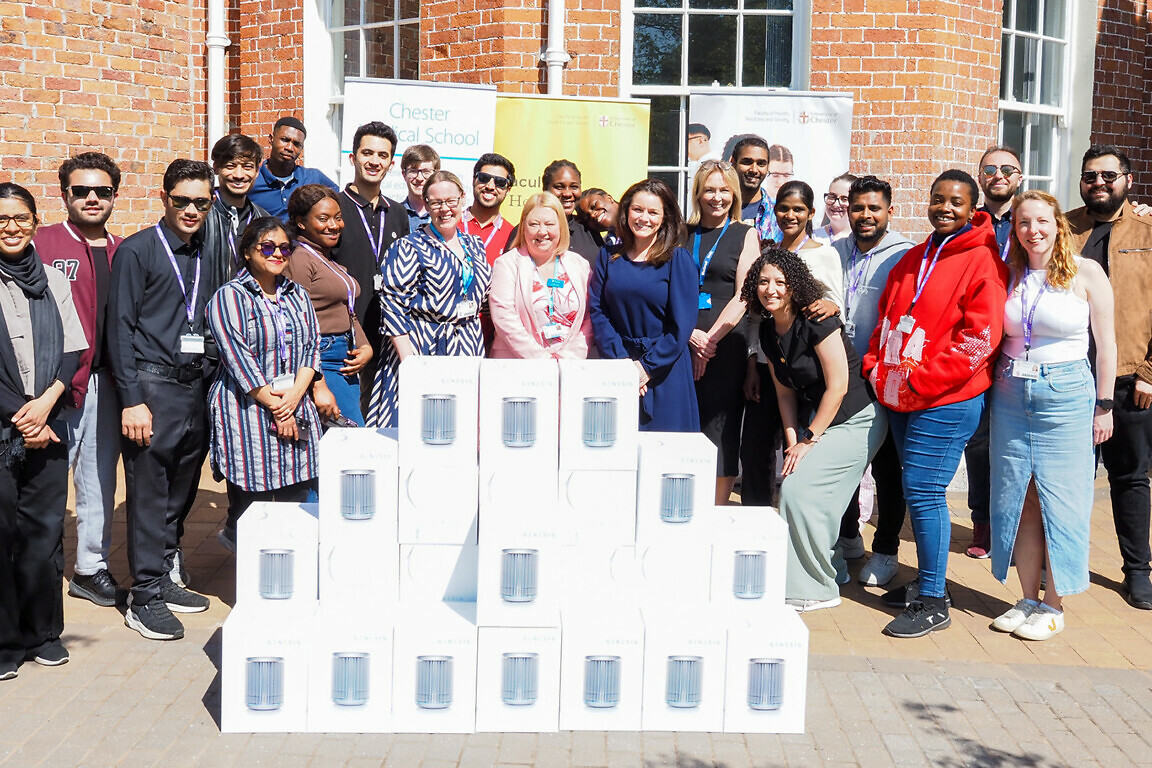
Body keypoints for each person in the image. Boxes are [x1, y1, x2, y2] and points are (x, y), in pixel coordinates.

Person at [862, 169, 1008, 638]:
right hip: (903, 395)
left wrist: (920, 380)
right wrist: (873, 366)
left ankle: (933, 600)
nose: (946, 208)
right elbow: (886, 318)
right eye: (938, 199)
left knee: (924, 492)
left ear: (973, 207)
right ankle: (925, 582)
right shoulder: (914, 257)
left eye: (957, 202)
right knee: (915, 490)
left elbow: (979, 338)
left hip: (945, 399)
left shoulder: (984, 260)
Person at [989, 190, 1116, 641]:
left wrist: (1104, 406)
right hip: (1010, 390)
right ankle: (1026, 597)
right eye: (1023, 223)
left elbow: (1107, 344)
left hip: (1066, 393)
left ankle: (1054, 605)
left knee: (1060, 501)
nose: (1032, 230)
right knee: (1017, 497)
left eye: (1041, 221)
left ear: (1057, 223)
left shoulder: (1086, 272)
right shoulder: (1011, 272)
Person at [108, 159, 217, 640]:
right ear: (164, 197)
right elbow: (119, 330)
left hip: (194, 387)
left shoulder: (206, 250)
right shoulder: (137, 251)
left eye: (201, 201)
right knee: (150, 494)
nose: (191, 209)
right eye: (182, 200)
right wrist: (132, 398)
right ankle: (144, 595)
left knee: (182, 488)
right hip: (151, 388)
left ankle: (165, 575)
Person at [741, 248, 884, 612]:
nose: (770, 289)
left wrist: (807, 440)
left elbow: (837, 387)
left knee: (798, 492)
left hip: (856, 419)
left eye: (780, 282)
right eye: (763, 281)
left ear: (795, 286)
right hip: (816, 425)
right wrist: (793, 441)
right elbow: (784, 394)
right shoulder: (770, 333)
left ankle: (816, 590)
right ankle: (832, 569)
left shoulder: (817, 320)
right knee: (800, 486)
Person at [0, 183, 86, 677]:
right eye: (2, 219)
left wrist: (47, 402)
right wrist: (22, 413)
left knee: (43, 533)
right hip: (6, 427)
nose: (11, 227)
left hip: (48, 422)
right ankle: (6, 642)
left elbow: (72, 348)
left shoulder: (53, 278)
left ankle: (43, 634)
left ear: (35, 221)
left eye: (20, 218)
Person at [33, 152, 123, 608]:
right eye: (81, 190)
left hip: (106, 384)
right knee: (46, 481)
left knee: (98, 480)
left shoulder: (122, 248)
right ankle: (35, 572)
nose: (92, 198)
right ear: (64, 193)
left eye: (102, 191)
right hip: (53, 386)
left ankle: (90, 567)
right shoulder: (38, 243)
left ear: (113, 196)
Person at [1067, 145, 1152, 610]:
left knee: (1130, 478)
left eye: (1108, 175)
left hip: (1128, 380)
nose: (1098, 183)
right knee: (1068, 478)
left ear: (1128, 179)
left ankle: (1138, 570)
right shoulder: (1064, 227)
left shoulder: (1147, 229)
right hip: (1070, 375)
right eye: (1089, 176)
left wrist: (1149, 374)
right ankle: (1064, 564)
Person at [208, 217, 323, 550]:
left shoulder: (297, 294)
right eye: (268, 247)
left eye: (284, 248)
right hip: (248, 412)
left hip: (295, 403)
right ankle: (249, 584)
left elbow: (311, 347)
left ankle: (289, 574)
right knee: (252, 505)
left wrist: (294, 398)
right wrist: (277, 407)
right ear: (247, 252)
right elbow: (236, 356)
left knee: (296, 497)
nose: (277, 254)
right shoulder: (230, 297)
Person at [831, 176, 913, 588]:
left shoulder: (905, 256)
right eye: (857, 207)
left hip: (882, 376)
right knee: (844, 463)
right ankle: (848, 539)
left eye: (873, 208)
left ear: (889, 211)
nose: (865, 215)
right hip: (837, 376)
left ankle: (886, 550)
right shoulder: (834, 250)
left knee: (886, 470)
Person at [367, 171, 492, 428]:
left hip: (467, 345)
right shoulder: (409, 247)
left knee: (459, 428)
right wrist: (410, 361)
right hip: (421, 346)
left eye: (451, 201)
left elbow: (486, 296)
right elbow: (392, 304)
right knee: (418, 427)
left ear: (462, 200)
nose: (444, 209)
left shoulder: (475, 245)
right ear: (426, 205)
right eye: (436, 203)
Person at [589, 178, 699, 432]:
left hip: (665, 373)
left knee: (666, 457)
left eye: (653, 212)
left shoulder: (677, 259)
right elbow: (598, 310)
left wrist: (646, 367)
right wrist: (624, 365)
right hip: (618, 366)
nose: (644, 218)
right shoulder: (608, 256)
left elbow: (682, 326)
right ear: (626, 211)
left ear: (665, 217)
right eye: (637, 210)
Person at [682, 160, 759, 504]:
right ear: (698, 192)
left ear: (734, 194)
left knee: (721, 428)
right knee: (684, 423)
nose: (717, 197)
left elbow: (745, 295)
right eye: (709, 189)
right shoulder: (681, 233)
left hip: (725, 346)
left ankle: (715, 508)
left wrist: (709, 341)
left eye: (724, 190)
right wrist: (690, 337)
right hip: (682, 342)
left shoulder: (746, 234)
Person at [962, 145, 1023, 560]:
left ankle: (1016, 524)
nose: (998, 174)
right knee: (980, 441)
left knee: (1017, 442)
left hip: (1022, 342)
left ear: (1020, 176)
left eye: (1007, 168)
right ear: (980, 177)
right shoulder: (969, 222)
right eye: (989, 169)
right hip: (979, 343)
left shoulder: (1037, 219)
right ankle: (982, 523)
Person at [331, 121, 409, 415]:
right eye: (367, 153)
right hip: (345, 336)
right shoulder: (333, 207)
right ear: (353, 158)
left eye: (382, 155)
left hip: (388, 335)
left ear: (391, 163)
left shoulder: (398, 213)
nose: (374, 161)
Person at [283, 184, 372, 426]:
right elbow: (296, 326)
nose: (334, 225)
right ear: (301, 222)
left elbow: (347, 308)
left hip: (344, 360)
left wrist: (365, 346)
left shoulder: (324, 256)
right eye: (323, 219)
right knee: (350, 438)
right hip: (323, 360)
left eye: (338, 218)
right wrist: (317, 382)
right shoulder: (300, 259)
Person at [489, 192, 593, 359]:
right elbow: (504, 318)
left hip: (568, 367)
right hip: (516, 366)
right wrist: (542, 360)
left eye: (550, 224)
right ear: (523, 227)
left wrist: (568, 357)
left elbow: (590, 318)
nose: (542, 231)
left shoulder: (580, 265)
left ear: (561, 227)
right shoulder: (507, 264)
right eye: (534, 224)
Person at [249, 116, 339, 222]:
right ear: (271, 139)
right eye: (285, 140)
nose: (289, 148)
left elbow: (342, 202)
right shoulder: (252, 180)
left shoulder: (313, 177)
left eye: (297, 144)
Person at [542, 159, 605, 263]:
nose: (567, 193)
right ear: (545, 189)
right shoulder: (529, 230)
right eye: (559, 187)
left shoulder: (590, 230)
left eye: (574, 187)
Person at [462, 153, 516, 267]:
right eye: (484, 178)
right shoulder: (449, 224)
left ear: (508, 189)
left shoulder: (513, 236)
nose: (490, 186)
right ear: (473, 180)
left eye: (500, 182)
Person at [730, 136, 782, 243]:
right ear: (733, 163)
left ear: (768, 167)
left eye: (761, 163)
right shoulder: (719, 207)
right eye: (747, 162)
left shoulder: (778, 213)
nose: (754, 169)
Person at [400, 144, 441, 233]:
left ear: (436, 175)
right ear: (404, 174)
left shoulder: (443, 215)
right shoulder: (394, 214)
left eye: (426, 172)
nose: (419, 178)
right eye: (413, 171)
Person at [813, 173, 856, 244]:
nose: (836, 204)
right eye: (832, 197)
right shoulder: (813, 237)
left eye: (844, 199)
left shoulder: (861, 239)